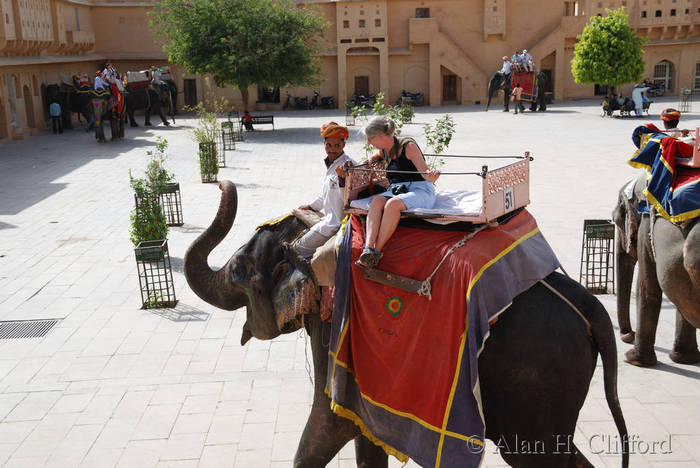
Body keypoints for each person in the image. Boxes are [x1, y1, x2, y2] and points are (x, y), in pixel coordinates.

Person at [355, 116, 441, 269]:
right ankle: (367, 248)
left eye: (370, 138)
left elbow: (425, 172)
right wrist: (371, 159)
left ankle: (376, 252)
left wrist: (431, 175)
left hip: (420, 189)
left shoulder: (408, 146)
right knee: (376, 201)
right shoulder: (384, 149)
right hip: (398, 190)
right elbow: (378, 156)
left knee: (393, 204)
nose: (368, 143)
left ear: (381, 137)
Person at [292, 122, 357, 258]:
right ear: (324, 144)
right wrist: (311, 206)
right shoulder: (332, 164)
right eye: (329, 145)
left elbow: (350, 198)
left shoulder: (348, 166)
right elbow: (325, 195)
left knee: (297, 249)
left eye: (337, 146)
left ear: (343, 145)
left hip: (334, 224)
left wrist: (342, 179)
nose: (332, 150)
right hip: (328, 220)